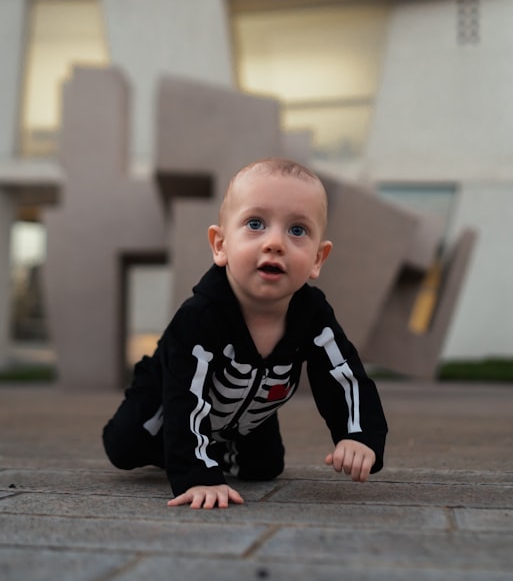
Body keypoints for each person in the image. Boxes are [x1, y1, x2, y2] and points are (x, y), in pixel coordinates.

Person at [102, 157, 388, 509]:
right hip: (171, 394)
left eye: (297, 230)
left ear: (318, 259)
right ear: (220, 245)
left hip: (249, 418)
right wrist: (199, 476)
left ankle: (214, 448)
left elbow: (343, 375)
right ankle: (191, 451)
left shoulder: (313, 315)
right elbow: (186, 398)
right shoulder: (200, 316)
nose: (275, 242)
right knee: (124, 444)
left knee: (265, 468)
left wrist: (358, 435)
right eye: (255, 224)